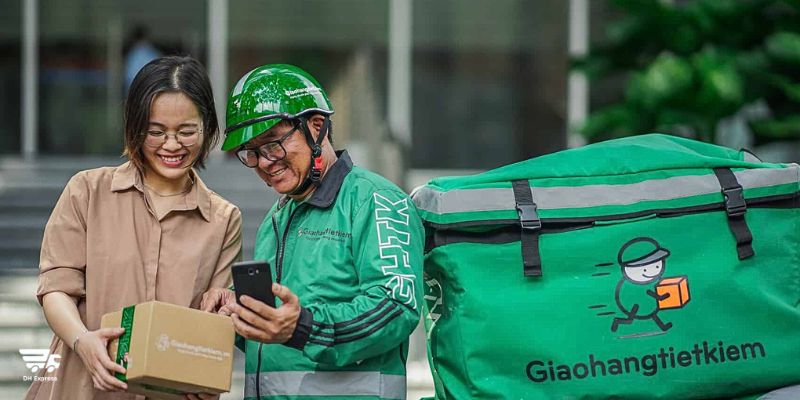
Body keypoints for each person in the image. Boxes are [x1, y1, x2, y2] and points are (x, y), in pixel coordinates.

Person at [25, 56, 242, 400]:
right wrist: (83, 341)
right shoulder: (87, 191)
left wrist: (208, 362)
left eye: (186, 131)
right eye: (155, 132)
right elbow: (56, 289)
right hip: (81, 388)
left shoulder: (223, 219)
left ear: (208, 128)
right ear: (134, 128)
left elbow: (212, 321)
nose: (172, 145)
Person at [201, 64, 423, 400]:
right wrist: (237, 311)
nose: (263, 163)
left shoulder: (377, 201)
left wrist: (304, 326)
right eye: (251, 153)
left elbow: (395, 306)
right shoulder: (277, 219)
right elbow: (279, 330)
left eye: (272, 145)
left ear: (316, 126)